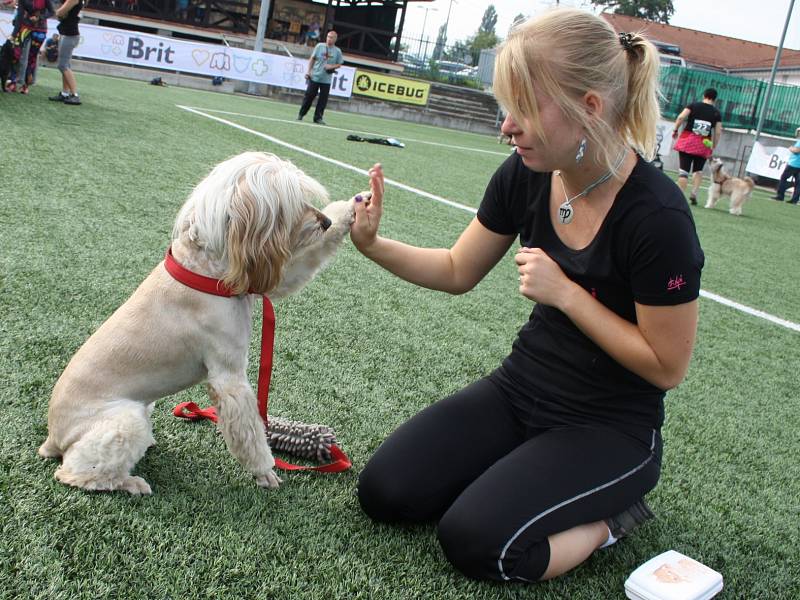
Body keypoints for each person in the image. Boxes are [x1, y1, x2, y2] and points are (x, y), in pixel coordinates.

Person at [352, 9, 704, 584]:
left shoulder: (657, 217)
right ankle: (518, 477)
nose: (506, 127)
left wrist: (567, 295)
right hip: (521, 390)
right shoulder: (525, 173)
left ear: (589, 107)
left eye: (522, 108)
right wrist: (372, 244)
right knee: (386, 492)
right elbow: (456, 268)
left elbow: (667, 366)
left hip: (609, 427)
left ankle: (614, 520)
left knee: (478, 543)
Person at [672, 88, 722, 205]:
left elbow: (680, 117)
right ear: (715, 99)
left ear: (704, 95)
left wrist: (675, 129)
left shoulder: (693, 105)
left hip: (688, 141)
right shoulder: (716, 113)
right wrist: (714, 145)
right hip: (704, 144)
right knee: (698, 170)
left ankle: (680, 196)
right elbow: (718, 131)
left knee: (684, 171)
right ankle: (694, 192)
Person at [7, 0, 54, 94]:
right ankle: (12, 82)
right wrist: (14, 34)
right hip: (24, 28)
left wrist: (40, 17)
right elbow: (20, 16)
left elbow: (52, 12)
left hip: (40, 30)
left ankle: (25, 86)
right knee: (16, 55)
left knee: (32, 58)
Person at [297, 29, 343, 125]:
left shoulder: (337, 51)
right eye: (328, 37)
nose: (329, 39)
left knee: (323, 100)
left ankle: (318, 117)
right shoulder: (319, 46)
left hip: (326, 80)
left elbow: (339, 64)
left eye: (331, 37)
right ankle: (301, 113)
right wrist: (309, 71)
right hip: (315, 76)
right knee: (309, 96)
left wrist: (332, 66)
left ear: (335, 39)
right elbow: (312, 59)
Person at [48, 0, 82, 105]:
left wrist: (60, 12)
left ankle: (75, 94)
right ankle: (65, 93)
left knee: (62, 65)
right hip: (68, 33)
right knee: (66, 65)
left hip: (69, 35)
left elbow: (59, 13)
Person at [770, 126, 800, 205]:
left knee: (783, 178)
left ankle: (780, 196)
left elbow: (797, 150)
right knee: (798, 183)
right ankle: (794, 200)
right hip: (797, 165)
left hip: (794, 164)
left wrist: (791, 148)